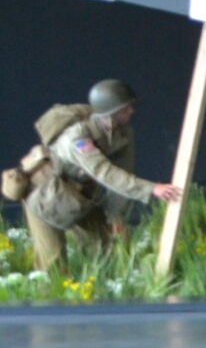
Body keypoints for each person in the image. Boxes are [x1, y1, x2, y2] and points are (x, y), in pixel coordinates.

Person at [15, 79, 184, 270]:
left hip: (76, 195)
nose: (131, 112)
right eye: (124, 109)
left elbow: (123, 172)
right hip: (45, 192)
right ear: (109, 113)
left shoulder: (123, 134)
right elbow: (104, 172)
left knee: (106, 244)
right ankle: (50, 296)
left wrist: (115, 217)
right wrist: (152, 188)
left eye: (130, 107)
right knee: (52, 260)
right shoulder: (76, 138)